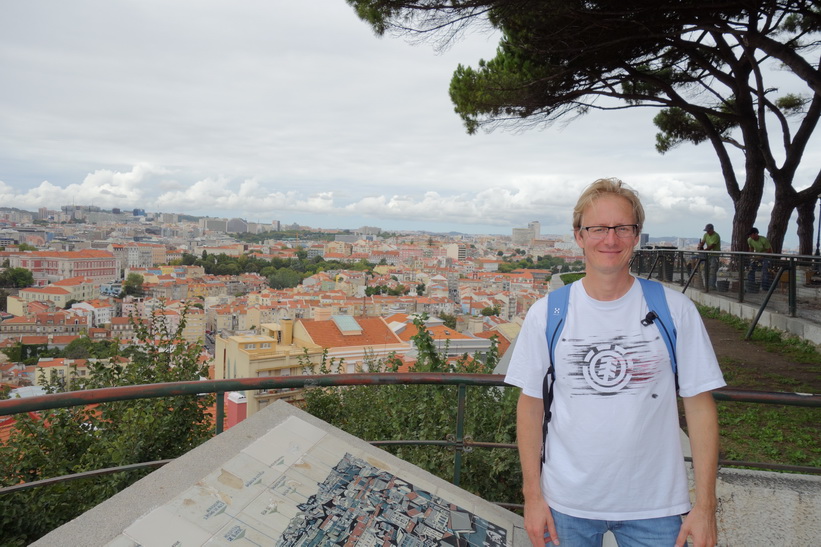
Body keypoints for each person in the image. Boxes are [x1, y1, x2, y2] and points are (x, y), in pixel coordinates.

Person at [505, 178, 725, 547]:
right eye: (598, 228)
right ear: (579, 236)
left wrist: (705, 507)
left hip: (657, 506)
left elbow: (700, 409)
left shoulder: (675, 311)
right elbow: (530, 407)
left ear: (637, 235)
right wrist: (532, 497)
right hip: (565, 504)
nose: (611, 240)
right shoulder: (548, 314)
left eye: (623, 228)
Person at [697, 224, 721, 290]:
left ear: (712, 229)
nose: (707, 232)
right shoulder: (706, 235)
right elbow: (703, 242)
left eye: (708, 231)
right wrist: (700, 246)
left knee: (712, 271)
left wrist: (704, 250)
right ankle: (706, 284)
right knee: (705, 270)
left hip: (714, 255)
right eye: (706, 231)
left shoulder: (716, 236)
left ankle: (711, 286)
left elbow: (712, 246)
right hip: (708, 255)